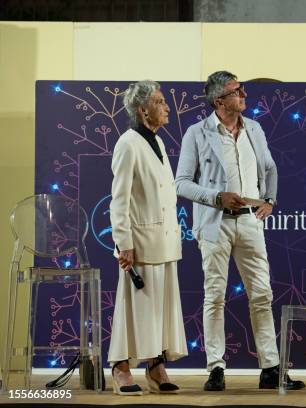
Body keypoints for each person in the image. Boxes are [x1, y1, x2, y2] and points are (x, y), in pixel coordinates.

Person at [175, 71, 304, 391]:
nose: (244, 94)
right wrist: (215, 197)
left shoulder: (255, 129)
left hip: (249, 221)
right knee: (214, 296)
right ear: (220, 100)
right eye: (237, 90)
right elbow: (180, 183)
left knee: (262, 294)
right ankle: (216, 367)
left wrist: (270, 200)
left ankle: (271, 368)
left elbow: (270, 167)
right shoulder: (197, 133)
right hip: (214, 222)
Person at [108, 80, 187, 395]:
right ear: (142, 110)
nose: (167, 107)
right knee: (133, 306)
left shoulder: (157, 142)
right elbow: (119, 199)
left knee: (161, 309)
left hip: (165, 240)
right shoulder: (128, 143)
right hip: (139, 243)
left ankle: (155, 366)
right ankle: (120, 366)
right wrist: (123, 241)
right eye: (159, 102)